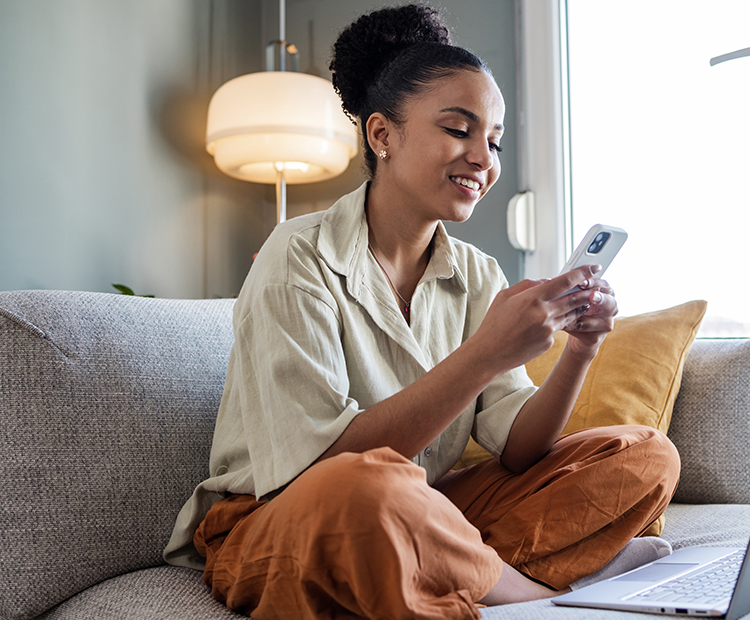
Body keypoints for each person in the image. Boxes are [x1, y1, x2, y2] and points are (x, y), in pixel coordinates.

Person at [164, 4, 680, 619]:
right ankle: (538, 596)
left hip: (422, 506)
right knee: (370, 490)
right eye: (459, 130)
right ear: (382, 135)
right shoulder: (297, 255)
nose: (483, 159)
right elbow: (325, 468)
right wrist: (484, 354)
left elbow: (518, 451)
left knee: (645, 453)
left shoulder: (479, 273)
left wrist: (580, 350)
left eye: (493, 141)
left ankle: (441, 566)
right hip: (285, 517)